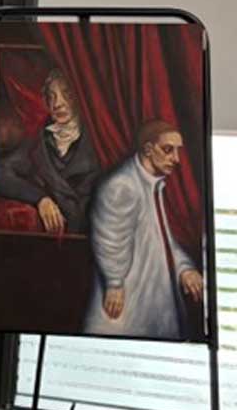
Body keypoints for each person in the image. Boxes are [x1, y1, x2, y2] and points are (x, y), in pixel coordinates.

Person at [83, 119, 203, 339]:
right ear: (148, 149)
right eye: (168, 150)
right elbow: (109, 239)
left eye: (177, 151)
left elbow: (162, 241)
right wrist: (115, 282)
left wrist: (184, 268)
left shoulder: (151, 183)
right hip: (128, 301)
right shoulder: (122, 186)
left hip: (150, 295)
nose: (176, 159)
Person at [0, 69, 101, 234]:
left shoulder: (101, 142)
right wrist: (40, 198)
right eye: (51, 96)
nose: (57, 103)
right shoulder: (38, 143)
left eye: (67, 94)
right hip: (52, 237)